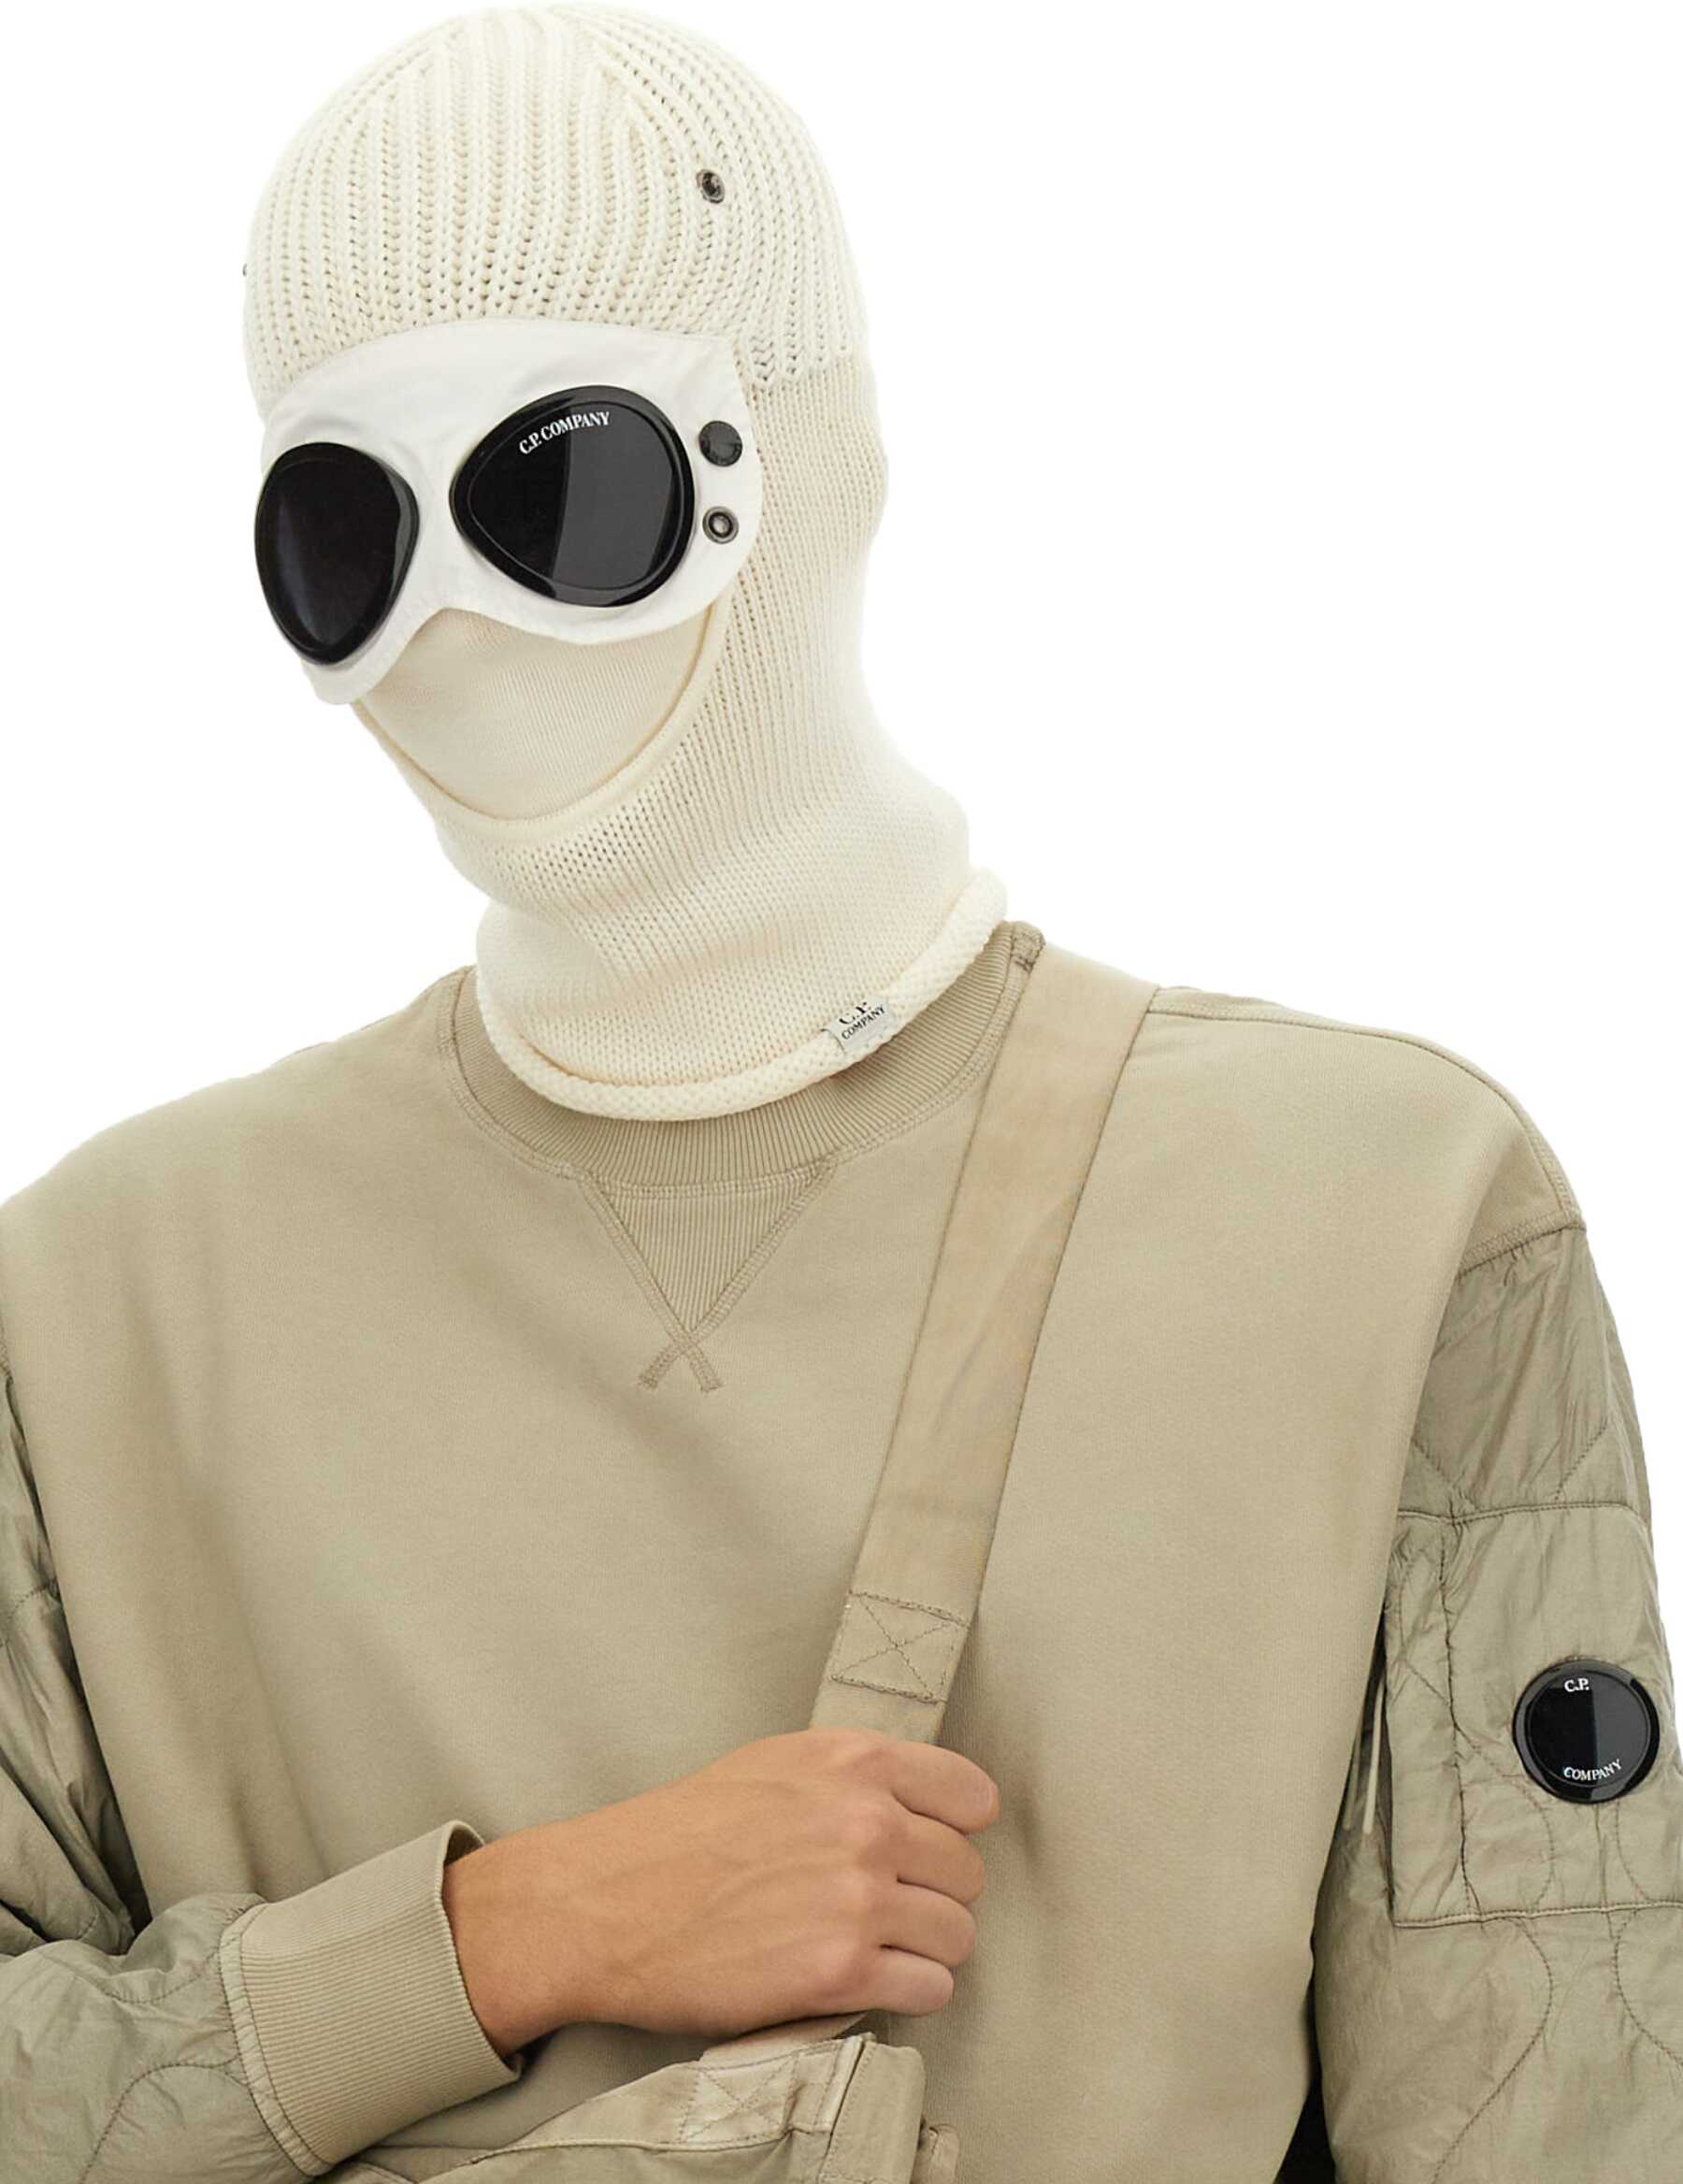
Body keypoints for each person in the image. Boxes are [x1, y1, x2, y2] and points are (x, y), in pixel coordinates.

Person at [2, 7, 1678, 2180]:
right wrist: (500, 1935)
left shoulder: (1385, 1211)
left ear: (808, 461)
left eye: (560, 483)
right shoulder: (96, 1302)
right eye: (343, 528)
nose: (450, 621)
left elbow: (1554, 2115)